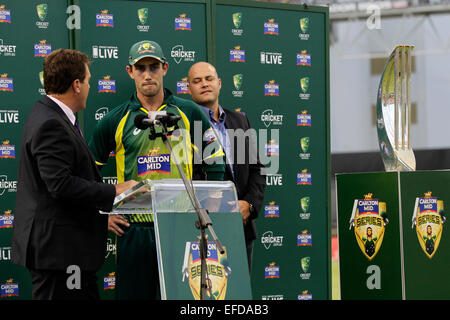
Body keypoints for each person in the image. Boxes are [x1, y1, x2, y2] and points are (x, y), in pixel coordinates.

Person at [88, 40, 225, 299]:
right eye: (141, 68)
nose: (147, 74)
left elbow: (215, 161)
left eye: (153, 67)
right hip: (134, 231)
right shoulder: (115, 119)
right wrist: (101, 216)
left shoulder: (188, 112)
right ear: (130, 71)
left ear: (165, 68)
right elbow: (86, 173)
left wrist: (209, 207)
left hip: (180, 226)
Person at [11, 49, 138, 300]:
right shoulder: (50, 122)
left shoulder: (52, 116)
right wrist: (115, 190)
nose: (90, 86)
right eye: (89, 80)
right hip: (59, 255)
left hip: (67, 253)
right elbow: (60, 185)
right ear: (76, 85)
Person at [187, 61, 266, 273]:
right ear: (189, 88)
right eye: (197, 81)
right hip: (202, 229)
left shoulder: (240, 120)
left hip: (241, 229)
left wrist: (248, 205)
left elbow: (257, 169)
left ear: (219, 83)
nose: (204, 84)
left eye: (209, 79)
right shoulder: (183, 124)